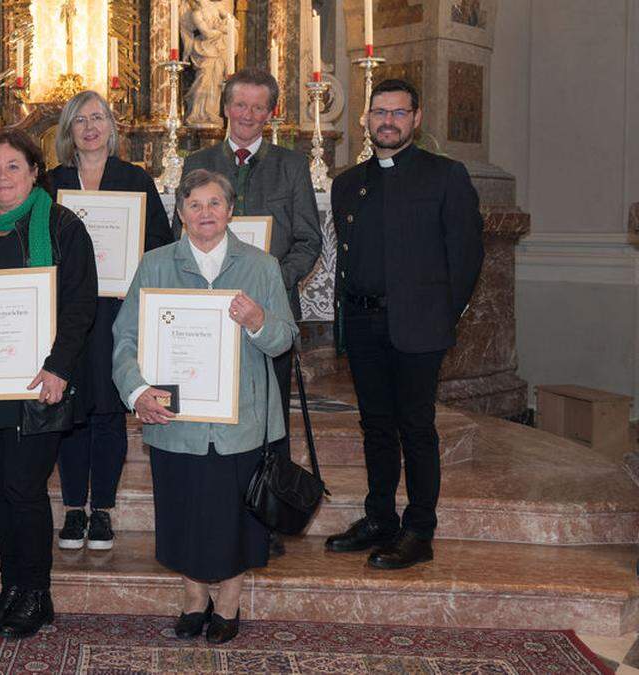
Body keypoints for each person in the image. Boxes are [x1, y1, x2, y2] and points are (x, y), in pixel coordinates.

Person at [112, 168, 296, 644]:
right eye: (194, 205)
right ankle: (194, 600)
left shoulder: (261, 266)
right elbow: (125, 338)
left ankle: (229, 602)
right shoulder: (155, 264)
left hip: (243, 420)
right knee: (184, 509)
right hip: (177, 419)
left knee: (237, 514)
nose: (205, 214)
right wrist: (137, 392)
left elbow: (284, 340)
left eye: (215, 204)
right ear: (180, 213)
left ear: (231, 211)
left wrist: (258, 320)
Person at [0, 129, 97, 638]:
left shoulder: (61, 226)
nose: (3, 177)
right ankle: (11, 588)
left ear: (35, 172)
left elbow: (79, 306)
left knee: (24, 489)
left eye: (14, 167)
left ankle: (37, 594)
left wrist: (58, 368)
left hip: (39, 384)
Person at [325, 79, 484, 570]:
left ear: (417, 118)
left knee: (415, 428)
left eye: (398, 112)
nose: (387, 121)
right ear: (367, 120)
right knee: (375, 426)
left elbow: (467, 255)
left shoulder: (445, 175)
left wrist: (440, 317)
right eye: (379, 112)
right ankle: (380, 519)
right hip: (364, 323)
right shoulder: (348, 183)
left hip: (418, 327)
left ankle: (419, 530)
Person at [180, 68, 321, 555]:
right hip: (205, 319)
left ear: (271, 112)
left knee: (268, 418)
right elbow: (185, 233)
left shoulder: (291, 165)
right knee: (210, 418)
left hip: (267, 318)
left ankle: (268, 518)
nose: (248, 115)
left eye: (259, 107)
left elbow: (308, 239)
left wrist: (269, 285)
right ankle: (216, 515)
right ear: (224, 107)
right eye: (240, 105)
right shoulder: (199, 160)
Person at [49, 91, 174, 551]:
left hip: (117, 311)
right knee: (70, 412)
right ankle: (73, 509)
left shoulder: (134, 179)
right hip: (67, 313)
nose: (89, 127)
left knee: (107, 412)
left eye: (97, 117)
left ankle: (101, 510)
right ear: (68, 130)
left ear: (111, 126)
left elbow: (161, 242)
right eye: (79, 119)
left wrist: (132, 273)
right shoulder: (51, 182)